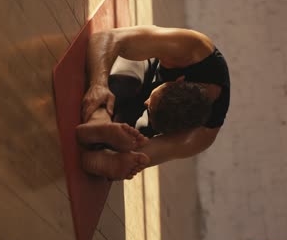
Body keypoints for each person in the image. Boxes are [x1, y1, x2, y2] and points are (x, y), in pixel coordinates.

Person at [75, 25, 230, 180]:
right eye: (151, 100)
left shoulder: (198, 137)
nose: (146, 102)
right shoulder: (192, 50)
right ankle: (99, 119)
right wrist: (99, 84)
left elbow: (146, 155)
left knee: (135, 135)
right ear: (178, 80)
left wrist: (126, 159)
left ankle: (106, 153)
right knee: (126, 81)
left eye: (149, 107)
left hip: (151, 122)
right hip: (145, 65)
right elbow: (105, 37)